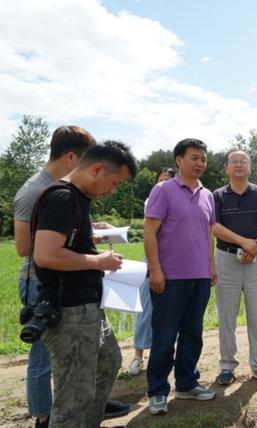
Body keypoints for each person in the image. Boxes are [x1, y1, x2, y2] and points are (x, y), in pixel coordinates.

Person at [13, 127, 129, 427]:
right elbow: (46, 255)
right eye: (114, 183)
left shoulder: (76, 199)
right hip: (68, 310)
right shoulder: (62, 197)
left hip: (86, 306)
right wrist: (98, 261)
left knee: (108, 362)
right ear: (97, 169)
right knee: (73, 398)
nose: (112, 190)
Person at [145, 139, 217, 415]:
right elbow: (150, 231)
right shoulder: (163, 190)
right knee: (164, 336)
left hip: (199, 277)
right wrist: (155, 269)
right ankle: (158, 390)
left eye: (203, 159)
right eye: (194, 158)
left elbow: (207, 235)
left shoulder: (207, 195)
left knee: (192, 334)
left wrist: (211, 266)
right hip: (170, 277)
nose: (199, 163)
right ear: (179, 160)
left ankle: (187, 383)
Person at [212, 150, 257, 387]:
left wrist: (256, 246)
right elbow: (215, 227)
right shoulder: (217, 195)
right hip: (226, 260)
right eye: (234, 162)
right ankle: (227, 366)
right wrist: (244, 243)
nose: (239, 165)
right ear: (227, 168)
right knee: (226, 317)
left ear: (250, 167)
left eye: (244, 161)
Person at [127, 167, 176, 376]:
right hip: (151, 263)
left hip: (175, 263)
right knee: (145, 311)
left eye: (166, 181)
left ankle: (167, 358)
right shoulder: (152, 200)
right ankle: (138, 356)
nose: (161, 184)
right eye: (159, 180)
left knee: (173, 314)